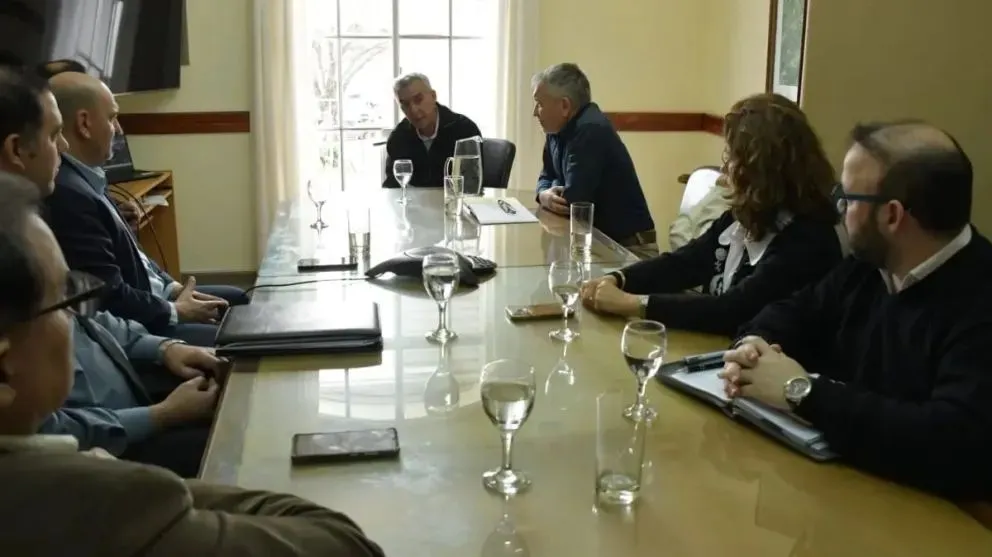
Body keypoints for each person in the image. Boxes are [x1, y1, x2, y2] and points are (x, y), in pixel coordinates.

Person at [0, 174, 385, 557]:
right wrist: (160, 421)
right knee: (253, 442)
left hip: (126, 417)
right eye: (64, 302)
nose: (76, 319)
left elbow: (100, 321)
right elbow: (347, 545)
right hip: (128, 444)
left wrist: (165, 348)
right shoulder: (101, 500)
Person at [720, 120, 992, 501]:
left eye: (847, 198)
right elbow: (792, 312)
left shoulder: (979, 298)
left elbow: (950, 442)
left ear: (892, 216)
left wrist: (801, 391)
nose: (839, 211)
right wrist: (752, 348)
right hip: (841, 485)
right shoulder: (868, 267)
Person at [0, 67, 222, 476]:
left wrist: (164, 348)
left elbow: (89, 312)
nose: (64, 146)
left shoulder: (30, 221)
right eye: (54, 135)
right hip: (100, 450)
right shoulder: (22, 237)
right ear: (16, 149)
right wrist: (161, 415)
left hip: (126, 405)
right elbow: (43, 430)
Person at [581, 93, 843, 336]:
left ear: (762, 169)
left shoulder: (808, 240)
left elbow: (733, 310)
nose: (725, 167)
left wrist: (634, 303)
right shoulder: (746, 216)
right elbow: (685, 263)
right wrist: (618, 278)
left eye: (733, 157)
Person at [43, 71, 249, 347]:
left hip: (153, 299)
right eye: (112, 118)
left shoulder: (89, 177)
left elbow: (135, 260)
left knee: (237, 299)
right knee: (234, 339)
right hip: (140, 326)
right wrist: (176, 310)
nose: (119, 130)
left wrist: (173, 288)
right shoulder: (70, 195)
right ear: (84, 124)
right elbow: (109, 296)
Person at [532, 63, 656, 256]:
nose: (535, 112)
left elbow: (573, 202)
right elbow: (546, 176)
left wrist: (551, 193)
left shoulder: (590, 129)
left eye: (540, 104)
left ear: (564, 106)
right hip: (595, 243)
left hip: (629, 250)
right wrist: (543, 195)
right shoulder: (556, 130)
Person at [382, 72, 482, 188]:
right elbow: (392, 187)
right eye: (405, 104)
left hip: (454, 198)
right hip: (414, 199)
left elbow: (472, 183)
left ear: (433, 96)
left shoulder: (465, 130)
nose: (413, 110)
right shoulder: (398, 138)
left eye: (418, 99)